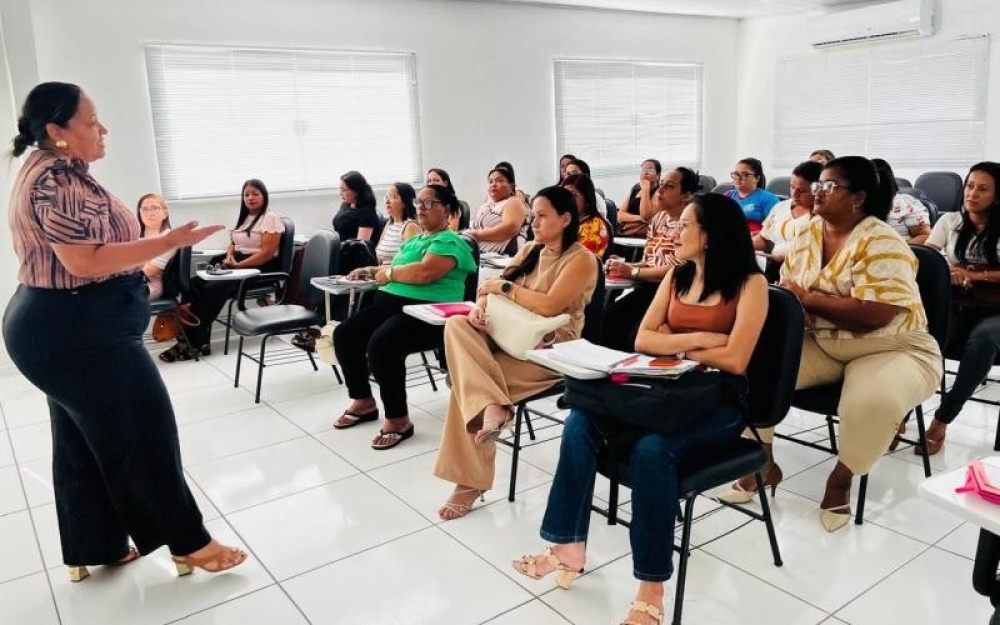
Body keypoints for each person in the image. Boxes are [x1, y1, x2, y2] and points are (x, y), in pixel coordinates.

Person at [4, 82, 246, 582]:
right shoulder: (55, 180)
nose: (103, 129)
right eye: (92, 121)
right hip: (77, 331)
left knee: (80, 441)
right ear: (57, 130)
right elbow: (82, 259)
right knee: (144, 432)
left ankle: (95, 545)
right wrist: (165, 241)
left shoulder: (57, 169)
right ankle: (189, 542)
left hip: (61, 328)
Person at [512, 192, 768, 625]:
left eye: (685, 225)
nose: (675, 232)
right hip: (661, 391)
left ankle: (651, 585)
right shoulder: (678, 276)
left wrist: (677, 338)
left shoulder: (750, 284)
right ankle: (567, 547)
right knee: (580, 421)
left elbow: (738, 360)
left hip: (717, 404)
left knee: (653, 451)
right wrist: (701, 342)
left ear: (709, 235)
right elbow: (643, 340)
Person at [719, 156, 942, 533]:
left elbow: (874, 314)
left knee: (872, 401)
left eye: (828, 186)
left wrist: (807, 300)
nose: (816, 192)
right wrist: (794, 308)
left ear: (858, 198)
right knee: (749, 367)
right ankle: (763, 461)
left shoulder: (883, 241)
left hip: (893, 347)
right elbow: (789, 287)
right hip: (823, 341)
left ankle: (840, 479)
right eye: (817, 185)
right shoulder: (807, 233)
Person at [434, 185, 597, 519]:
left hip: (548, 350)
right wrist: (480, 307)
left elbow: (550, 305)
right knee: (457, 326)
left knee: (467, 390)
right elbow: (487, 289)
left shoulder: (581, 259)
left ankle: (469, 482)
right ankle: (494, 408)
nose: (534, 223)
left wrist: (505, 288)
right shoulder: (533, 249)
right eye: (532, 216)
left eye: (542, 216)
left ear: (565, 219)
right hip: (506, 335)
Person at [333, 184, 477, 449]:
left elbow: (425, 273)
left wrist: (386, 274)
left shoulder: (450, 241)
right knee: (345, 335)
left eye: (429, 203)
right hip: (389, 305)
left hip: (428, 313)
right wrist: (370, 269)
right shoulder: (415, 239)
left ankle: (398, 420)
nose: (421, 208)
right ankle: (363, 401)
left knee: (381, 345)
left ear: (446, 210)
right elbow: (397, 267)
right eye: (419, 203)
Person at [921, 162, 1000, 455]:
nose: (972, 194)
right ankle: (901, 414)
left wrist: (977, 275)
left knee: (984, 340)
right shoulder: (950, 221)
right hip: (958, 304)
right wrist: (947, 270)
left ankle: (942, 419)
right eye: (969, 186)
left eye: (982, 188)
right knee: (926, 338)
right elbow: (928, 258)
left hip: (995, 310)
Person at [159, 179, 285, 362]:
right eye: (246, 195)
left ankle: (191, 344)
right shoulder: (246, 219)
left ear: (264, 196)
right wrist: (229, 256)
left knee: (213, 289)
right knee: (194, 284)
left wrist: (239, 266)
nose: (250, 198)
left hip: (260, 269)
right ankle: (196, 340)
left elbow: (266, 253)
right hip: (240, 265)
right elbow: (234, 243)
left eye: (255, 194)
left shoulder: (270, 218)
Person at [602, 167, 698, 351]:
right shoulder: (659, 218)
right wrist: (624, 265)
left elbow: (677, 270)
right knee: (609, 318)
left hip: (673, 292)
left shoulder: (690, 225)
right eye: (661, 185)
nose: (659, 191)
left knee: (633, 336)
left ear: (686, 195)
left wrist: (633, 271)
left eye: (668, 186)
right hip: (647, 287)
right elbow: (650, 261)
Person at [753, 160, 823, 281]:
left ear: (817, 190)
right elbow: (765, 238)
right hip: (772, 266)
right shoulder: (781, 207)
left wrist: (785, 258)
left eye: (802, 191)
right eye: (792, 187)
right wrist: (744, 247)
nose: (794, 194)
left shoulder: (824, 216)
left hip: (803, 273)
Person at [467, 164, 528, 255]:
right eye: (490, 181)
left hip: (505, 257)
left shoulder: (514, 202)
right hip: (480, 256)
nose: (493, 184)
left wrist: (477, 235)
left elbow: (510, 228)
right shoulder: (484, 206)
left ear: (511, 186)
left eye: (499, 180)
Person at [871, 158, 931, 244]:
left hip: (901, 251)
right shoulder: (856, 204)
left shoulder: (905, 203)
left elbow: (925, 236)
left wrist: (899, 249)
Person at [725, 158, 780, 234]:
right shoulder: (728, 195)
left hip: (754, 240)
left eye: (744, 174)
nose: (738, 178)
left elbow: (775, 228)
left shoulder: (769, 199)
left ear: (757, 178)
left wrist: (753, 234)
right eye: (736, 174)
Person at [560, 173, 610, 257]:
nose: (567, 200)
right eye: (564, 195)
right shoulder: (568, 221)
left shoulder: (594, 227)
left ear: (587, 199)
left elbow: (579, 260)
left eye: (573, 195)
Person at [136, 193, 174, 299]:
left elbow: (151, 270)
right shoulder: (134, 237)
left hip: (150, 285)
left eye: (154, 208)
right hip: (129, 282)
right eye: (144, 209)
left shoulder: (169, 237)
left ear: (165, 213)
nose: (149, 213)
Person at [374, 182, 420, 264]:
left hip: (394, 273)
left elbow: (409, 262)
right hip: (380, 272)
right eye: (386, 197)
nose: (387, 201)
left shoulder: (411, 226)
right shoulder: (389, 223)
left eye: (393, 197)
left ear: (405, 202)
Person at [617, 159, 661, 238]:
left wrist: (645, 189)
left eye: (650, 169)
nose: (645, 172)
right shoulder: (636, 188)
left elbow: (646, 216)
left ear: (658, 176)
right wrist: (639, 218)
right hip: (629, 229)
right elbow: (620, 214)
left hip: (644, 234)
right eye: (643, 169)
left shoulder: (659, 192)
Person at [333, 170, 379, 242]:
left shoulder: (367, 212)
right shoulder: (345, 205)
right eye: (340, 189)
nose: (340, 193)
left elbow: (360, 245)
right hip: (339, 247)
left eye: (344, 190)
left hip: (353, 251)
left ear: (356, 191)